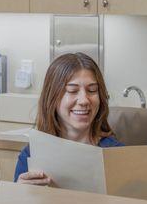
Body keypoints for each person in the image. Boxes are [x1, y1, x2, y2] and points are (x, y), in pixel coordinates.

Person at [14, 53, 123, 185]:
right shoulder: (31, 155)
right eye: (72, 91)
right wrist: (19, 192)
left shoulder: (117, 153)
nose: (84, 100)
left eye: (92, 90)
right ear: (52, 98)